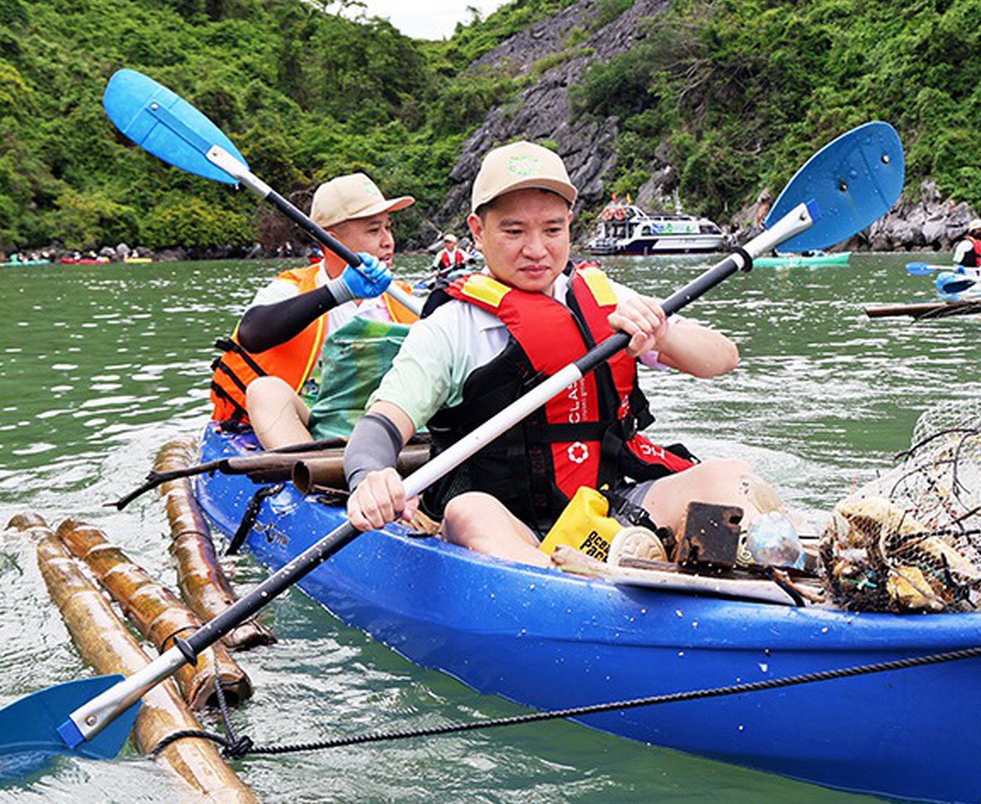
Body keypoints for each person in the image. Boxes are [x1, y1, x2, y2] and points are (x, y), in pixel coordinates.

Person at [342, 141, 768, 567]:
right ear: (477, 230)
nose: (536, 249)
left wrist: (661, 335)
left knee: (729, 477)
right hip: (510, 524)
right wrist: (368, 477)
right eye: (514, 231)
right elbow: (381, 425)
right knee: (467, 510)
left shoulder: (605, 300)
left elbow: (722, 359)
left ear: (569, 224)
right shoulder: (450, 328)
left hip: (607, 509)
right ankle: (571, 581)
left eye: (552, 229)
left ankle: (727, 566)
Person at [209, 172, 420, 449]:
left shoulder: (406, 300)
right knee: (264, 390)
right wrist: (341, 291)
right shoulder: (292, 289)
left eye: (388, 228)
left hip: (386, 420)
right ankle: (314, 477)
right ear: (333, 240)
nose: (388, 241)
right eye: (373, 230)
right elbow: (252, 333)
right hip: (310, 420)